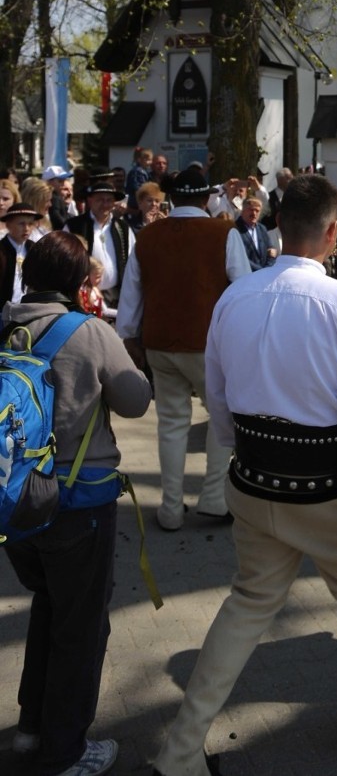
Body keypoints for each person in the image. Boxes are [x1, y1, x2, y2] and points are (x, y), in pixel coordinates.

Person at [150, 175, 337, 776]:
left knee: (247, 603)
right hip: (326, 497)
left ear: (276, 225)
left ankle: (177, 755)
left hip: (252, 484)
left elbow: (218, 407)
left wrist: (247, 452)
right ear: (333, 233)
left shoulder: (234, 299)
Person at [4, 232, 151, 776]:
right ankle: (65, 751)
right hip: (77, 501)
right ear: (77, 282)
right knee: (80, 624)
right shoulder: (88, 331)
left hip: (16, 498)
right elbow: (135, 402)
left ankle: (31, 728)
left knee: (48, 605)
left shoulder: (5, 324)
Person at [115, 167, 251, 531]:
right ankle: (213, 498)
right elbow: (242, 290)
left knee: (172, 424)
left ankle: (171, 508)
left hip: (160, 342)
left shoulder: (147, 236)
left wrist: (129, 337)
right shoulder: (224, 233)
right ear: (206, 197)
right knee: (222, 419)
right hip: (209, 345)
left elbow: (131, 294)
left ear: (172, 198)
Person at [66, 178, 135, 308]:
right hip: (85, 296)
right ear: (90, 200)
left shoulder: (123, 228)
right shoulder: (74, 225)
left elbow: (132, 260)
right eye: (100, 200)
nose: (105, 204)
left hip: (116, 296)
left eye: (109, 200)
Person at [0, 203, 41, 304]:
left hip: (27, 308)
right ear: (8, 224)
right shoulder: (2, 250)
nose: (26, 228)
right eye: (21, 224)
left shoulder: (35, 249)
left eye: (30, 224)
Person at [234, 196, 277, 270]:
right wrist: (261, 271)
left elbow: (272, 252)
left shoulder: (262, 229)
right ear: (242, 210)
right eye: (251, 210)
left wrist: (267, 269)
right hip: (245, 275)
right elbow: (241, 257)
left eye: (257, 211)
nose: (254, 213)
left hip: (264, 274)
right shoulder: (235, 229)